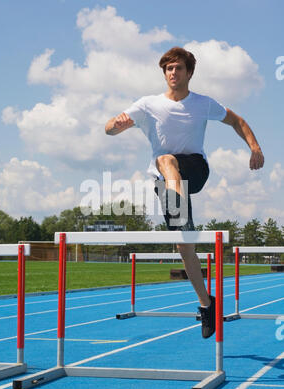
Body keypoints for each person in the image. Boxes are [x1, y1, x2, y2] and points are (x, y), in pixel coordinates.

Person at [105, 46, 264, 338]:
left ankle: (180, 213)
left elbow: (237, 121)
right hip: (163, 181)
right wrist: (116, 125)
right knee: (183, 247)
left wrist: (254, 147)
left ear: (189, 73)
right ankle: (207, 304)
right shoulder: (147, 104)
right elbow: (109, 128)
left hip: (195, 168)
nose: (172, 73)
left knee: (166, 159)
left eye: (178, 68)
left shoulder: (203, 103)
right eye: (168, 69)